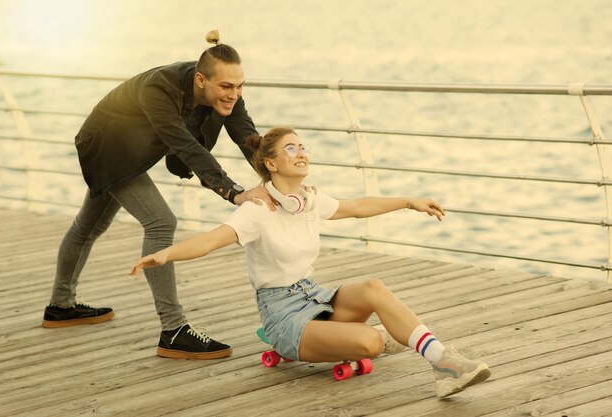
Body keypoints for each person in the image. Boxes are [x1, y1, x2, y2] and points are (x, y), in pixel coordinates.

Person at [129, 126, 492, 397]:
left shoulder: (308, 200)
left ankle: (444, 364)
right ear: (271, 163)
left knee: (373, 288)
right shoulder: (257, 210)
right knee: (368, 342)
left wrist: (409, 201)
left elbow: (357, 208)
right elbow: (211, 240)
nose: (301, 152)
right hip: (282, 316)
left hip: (314, 296)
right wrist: (165, 253)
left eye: (303, 146)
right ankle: (390, 338)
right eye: (291, 148)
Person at [42, 30, 275, 360]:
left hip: (134, 149)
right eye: (226, 87)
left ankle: (60, 306)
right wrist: (234, 192)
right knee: (160, 222)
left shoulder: (226, 93)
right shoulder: (159, 88)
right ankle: (173, 329)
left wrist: (276, 177)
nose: (234, 94)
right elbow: (183, 143)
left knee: (88, 226)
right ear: (200, 80)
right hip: (106, 148)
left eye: (239, 86)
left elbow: (247, 137)